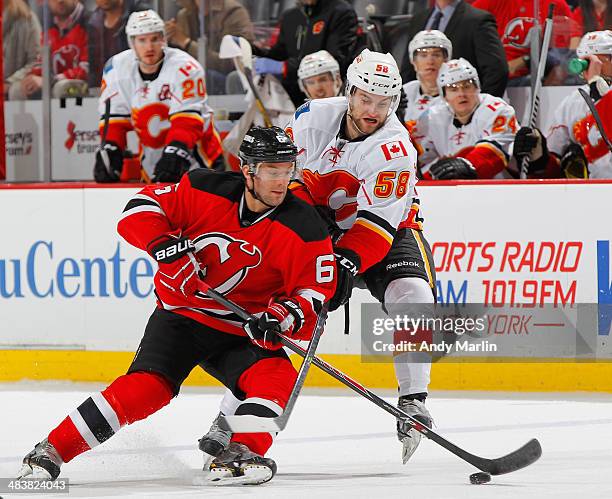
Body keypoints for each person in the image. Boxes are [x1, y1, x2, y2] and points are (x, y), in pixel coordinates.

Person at [17, 125, 336, 485]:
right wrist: (162, 245)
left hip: (239, 331)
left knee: (275, 376)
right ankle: (50, 451)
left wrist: (280, 318)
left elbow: (314, 292)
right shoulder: (204, 188)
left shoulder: (304, 226)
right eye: (271, 171)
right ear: (247, 170)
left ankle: (241, 452)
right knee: (146, 389)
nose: (281, 181)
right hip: (180, 317)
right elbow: (138, 207)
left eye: (287, 171)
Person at [200, 49, 438, 466]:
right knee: (282, 316)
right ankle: (230, 414)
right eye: (366, 99)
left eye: (384, 103)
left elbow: (377, 226)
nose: (373, 110)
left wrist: (345, 264)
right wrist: (310, 230)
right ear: (350, 91)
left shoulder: (396, 149)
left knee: (413, 294)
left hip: (387, 230)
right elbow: (288, 180)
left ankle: (414, 402)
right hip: (319, 226)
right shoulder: (312, 116)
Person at [93, 10, 223, 184]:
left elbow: (188, 121)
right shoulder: (116, 68)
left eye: (154, 39)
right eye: (142, 40)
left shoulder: (186, 68)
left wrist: (176, 152)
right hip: (152, 165)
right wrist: (111, 149)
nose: (149, 47)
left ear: (164, 39)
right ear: (131, 42)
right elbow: (115, 120)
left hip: (201, 161)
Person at [513, 30, 612, 178]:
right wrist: (540, 154)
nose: (589, 67)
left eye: (596, 61)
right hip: (590, 191)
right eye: (586, 61)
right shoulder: (573, 102)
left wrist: (597, 89)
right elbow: (555, 161)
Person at [412, 58, 518, 179]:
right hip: (451, 190)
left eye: (467, 86)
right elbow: (415, 157)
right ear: (444, 96)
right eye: (453, 89)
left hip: (497, 187)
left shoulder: (498, 109)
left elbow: (494, 153)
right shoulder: (431, 117)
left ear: (477, 88)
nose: (461, 93)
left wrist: (466, 166)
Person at [251, 0, 358, 106]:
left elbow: (335, 59)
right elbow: (279, 53)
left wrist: (286, 67)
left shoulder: (341, 12)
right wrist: (248, 48)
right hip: (291, 96)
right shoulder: (290, 16)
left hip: (328, 95)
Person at [399, 0, 508, 98]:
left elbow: (496, 71)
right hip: (420, 108)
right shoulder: (418, 19)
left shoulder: (477, 20)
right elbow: (408, 70)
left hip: (462, 109)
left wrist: (478, 108)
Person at [472, 0, 573, 85]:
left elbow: (562, 52)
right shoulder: (486, 3)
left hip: (535, 78)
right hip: (492, 78)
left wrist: (524, 61)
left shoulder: (556, 4)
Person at [165, 0, 255, 95]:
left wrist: (185, 42)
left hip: (223, 78)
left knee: (197, 75)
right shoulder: (184, 15)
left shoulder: (234, 12)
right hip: (195, 75)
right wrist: (166, 37)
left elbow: (232, 64)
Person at [16, 0, 89, 100]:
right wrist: (31, 77)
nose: (60, 1)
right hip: (55, 81)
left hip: (87, 86)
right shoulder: (49, 26)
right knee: (18, 89)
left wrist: (49, 81)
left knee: (60, 88)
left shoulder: (90, 23)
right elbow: (41, 63)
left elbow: (88, 69)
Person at [88, 0, 152, 88]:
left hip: (137, 85)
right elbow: (93, 61)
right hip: (104, 87)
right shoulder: (93, 21)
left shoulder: (140, 13)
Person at [402, 30, 452, 134]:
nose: (430, 61)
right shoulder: (403, 92)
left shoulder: (458, 95)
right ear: (413, 61)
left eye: (436, 55)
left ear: (446, 60)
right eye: (423, 55)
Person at [2, 0, 41, 100]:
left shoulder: (28, 18)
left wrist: (9, 82)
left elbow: (35, 61)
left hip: (12, 91)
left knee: (17, 90)